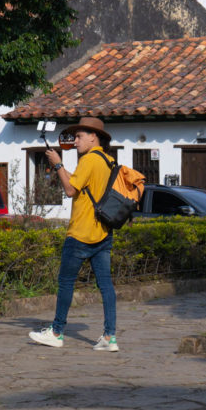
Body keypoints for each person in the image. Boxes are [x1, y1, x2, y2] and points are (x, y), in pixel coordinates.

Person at [29, 116, 119, 351]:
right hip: (103, 232)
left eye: (79, 136)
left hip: (80, 233)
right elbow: (80, 184)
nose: (76, 141)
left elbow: (69, 190)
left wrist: (58, 165)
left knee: (66, 283)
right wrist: (62, 166)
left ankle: (57, 332)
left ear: (93, 137)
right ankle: (110, 337)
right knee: (106, 286)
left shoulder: (88, 160)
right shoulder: (108, 161)